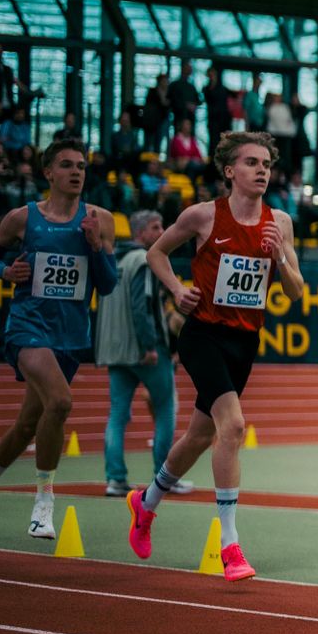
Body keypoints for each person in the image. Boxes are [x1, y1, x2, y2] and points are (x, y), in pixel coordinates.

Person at [129, 132, 307, 580]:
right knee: (234, 426)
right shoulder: (203, 216)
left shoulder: (280, 222)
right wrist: (176, 290)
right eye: (251, 162)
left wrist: (280, 257)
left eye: (266, 163)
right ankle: (230, 544)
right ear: (230, 171)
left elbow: (296, 290)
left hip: (245, 341)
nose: (262, 170)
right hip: (203, 334)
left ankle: (145, 503)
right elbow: (156, 253)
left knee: (197, 437)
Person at [0, 140, 120, 537]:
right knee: (61, 401)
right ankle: (44, 502)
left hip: (70, 336)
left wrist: (94, 246)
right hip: (27, 327)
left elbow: (107, 285)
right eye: (66, 165)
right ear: (48, 172)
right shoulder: (22, 218)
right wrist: (5, 273)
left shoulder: (100, 219)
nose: (76, 172)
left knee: (26, 426)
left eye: (82, 166)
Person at [96, 210, 189, 499]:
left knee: (117, 415)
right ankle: (165, 478)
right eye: (155, 227)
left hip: (114, 350)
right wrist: (149, 345)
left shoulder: (113, 259)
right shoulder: (145, 261)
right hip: (144, 350)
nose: (162, 230)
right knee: (165, 411)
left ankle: (115, 479)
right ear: (140, 233)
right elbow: (142, 305)